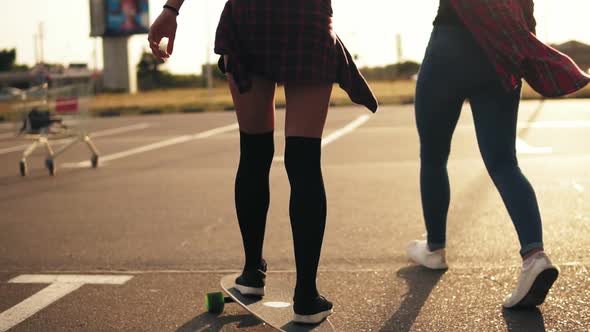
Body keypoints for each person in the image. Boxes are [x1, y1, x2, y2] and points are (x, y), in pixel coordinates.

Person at [148, 0, 377, 324]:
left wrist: (171, 10)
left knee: (254, 152)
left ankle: (252, 273)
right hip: (306, 20)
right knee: (305, 161)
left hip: (250, 20)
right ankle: (307, 297)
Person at [407, 0, 589, 309]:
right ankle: (534, 256)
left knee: (434, 155)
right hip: (502, 48)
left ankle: (435, 249)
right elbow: (527, 14)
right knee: (504, 161)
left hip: (452, 40)